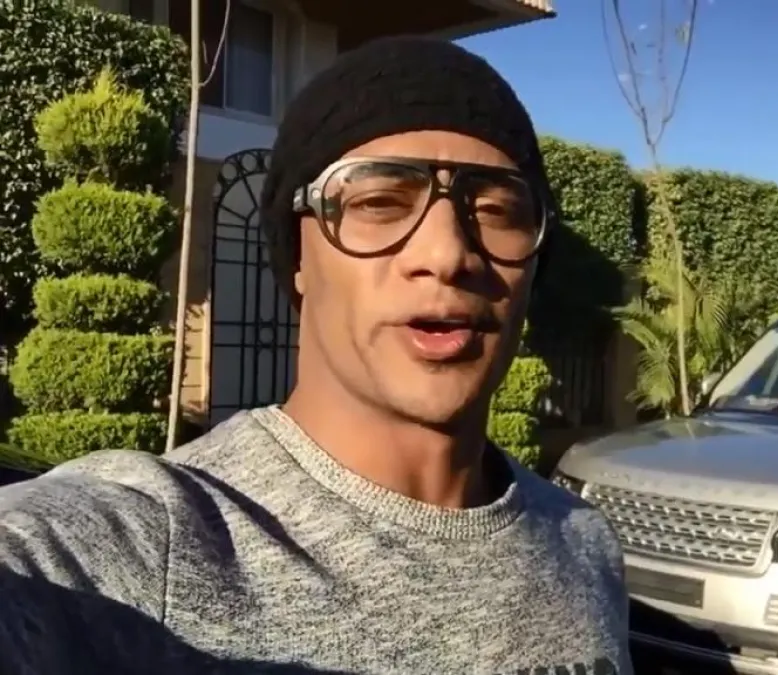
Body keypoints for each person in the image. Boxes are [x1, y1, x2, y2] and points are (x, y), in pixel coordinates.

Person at [0, 37, 630, 674]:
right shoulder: (150, 546)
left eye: (496, 210)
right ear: (297, 255)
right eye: (378, 202)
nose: (447, 254)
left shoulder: (583, 541)